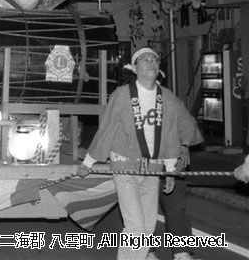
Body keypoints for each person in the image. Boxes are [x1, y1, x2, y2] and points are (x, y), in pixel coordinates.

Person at [78, 47, 186, 260]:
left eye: (154, 60)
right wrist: (88, 162)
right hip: (125, 165)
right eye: (144, 60)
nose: (150, 63)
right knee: (136, 227)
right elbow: (107, 128)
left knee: (147, 227)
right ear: (134, 68)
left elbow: (172, 135)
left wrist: (171, 171)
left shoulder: (167, 98)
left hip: (152, 169)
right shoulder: (122, 94)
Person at [147, 72, 205, 260]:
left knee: (175, 205)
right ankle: (145, 251)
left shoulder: (170, 100)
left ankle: (181, 252)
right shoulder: (128, 100)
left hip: (170, 158)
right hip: (141, 161)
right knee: (142, 208)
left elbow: (187, 123)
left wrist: (185, 144)